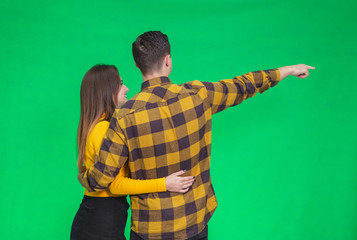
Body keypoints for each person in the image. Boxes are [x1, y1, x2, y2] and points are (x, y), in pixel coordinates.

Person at [80, 31, 315, 240]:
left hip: (149, 229)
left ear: (137, 65)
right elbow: (243, 85)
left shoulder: (124, 116)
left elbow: (102, 179)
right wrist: (288, 70)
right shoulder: (198, 95)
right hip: (194, 222)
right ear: (168, 61)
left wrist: (84, 176)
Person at [71, 64, 195, 240]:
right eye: (120, 83)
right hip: (99, 223)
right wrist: (165, 184)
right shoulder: (104, 130)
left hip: (102, 218)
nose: (127, 88)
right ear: (107, 90)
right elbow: (114, 185)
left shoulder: (102, 126)